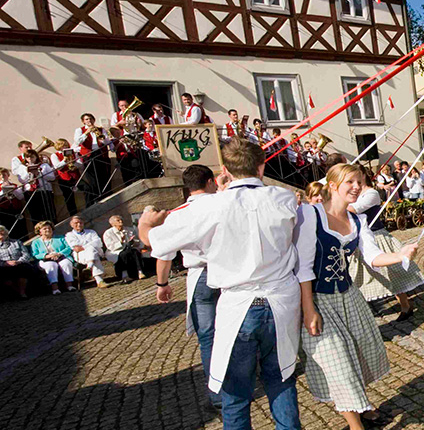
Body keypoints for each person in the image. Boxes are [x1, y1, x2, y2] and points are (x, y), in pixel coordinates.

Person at [139, 141, 302, 430]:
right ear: (262, 166)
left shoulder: (211, 206)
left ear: (224, 170)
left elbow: (156, 241)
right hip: (281, 302)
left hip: (239, 304)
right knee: (280, 379)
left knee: (236, 391)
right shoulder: (284, 198)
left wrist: (144, 224)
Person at [295, 164, 418, 430]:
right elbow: (303, 267)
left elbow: (372, 256)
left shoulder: (357, 220)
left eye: (360, 182)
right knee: (337, 361)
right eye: (350, 181)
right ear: (333, 184)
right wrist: (308, 309)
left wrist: (400, 255)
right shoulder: (310, 215)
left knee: (358, 354)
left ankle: (363, 407)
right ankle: (355, 425)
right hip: (319, 299)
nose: (356, 187)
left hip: (349, 296)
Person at [151, 164, 222, 408]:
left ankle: (218, 394)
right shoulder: (224, 203)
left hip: (200, 274)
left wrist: (162, 283)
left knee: (208, 337)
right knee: (236, 329)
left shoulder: (178, 213)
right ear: (211, 181)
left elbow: (164, 253)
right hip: (227, 271)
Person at [348, 167, 424, 322]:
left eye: (357, 176)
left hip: (377, 236)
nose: (354, 181)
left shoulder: (371, 193)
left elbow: (354, 209)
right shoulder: (356, 194)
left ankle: (405, 305)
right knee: (360, 275)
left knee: (391, 273)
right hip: (362, 238)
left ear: (364, 175)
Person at [30, 221, 77, 294]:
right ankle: (55, 288)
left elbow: (68, 248)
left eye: (49, 228)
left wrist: (59, 254)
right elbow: (35, 254)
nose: (48, 230)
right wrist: (46, 256)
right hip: (45, 260)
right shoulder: (35, 242)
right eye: (45, 229)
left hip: (61, 257)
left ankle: (69, 285)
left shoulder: (60, 237)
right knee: (51, 265)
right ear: (39, 231)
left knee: (66, 263)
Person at [102, 215, 147, 283]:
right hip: (116, 251)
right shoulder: (108, 233)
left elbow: (137, 240)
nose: (121, 221)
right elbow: (110, 246)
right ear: (112, 224)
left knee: (135, 252)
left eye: (121, 219)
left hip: (130, 248)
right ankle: (125, 275)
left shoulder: (129, 229)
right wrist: (120, 241)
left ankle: (140, 272)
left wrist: (133, 241)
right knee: (123, 254)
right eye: (118, 220)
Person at [64, 216, 107, 288]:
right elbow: (75, 246)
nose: (79, 224)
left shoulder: (91, 232)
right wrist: (90, 243)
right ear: (71, 225)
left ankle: (89, 267)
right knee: (92, 251)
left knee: (92, 251)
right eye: (76, 223)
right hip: (80, 255)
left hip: (93, 252)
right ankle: (99, 280)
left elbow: (99, 243)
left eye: (80, 222)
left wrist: (83, 246)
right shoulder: (69, 235)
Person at [17, 149, 57, 225]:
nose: (30, 159)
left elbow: (52, 177)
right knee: (35, 213)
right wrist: (28, 172)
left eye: (32, 157)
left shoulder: (44, 165)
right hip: (30, 191)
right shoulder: (22, 168)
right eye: (28, 158)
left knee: (49, 211)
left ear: (36, 157)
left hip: (44, 190)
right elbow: (21, 180)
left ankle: (52, 226)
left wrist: (39, 174)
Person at [0, 225, 37, 299]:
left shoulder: (17, 242)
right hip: (4, 266)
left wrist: (19, 261)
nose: (1, 235)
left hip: (19, 264)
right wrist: (5, 263)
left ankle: (22, 292)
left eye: (2, 232)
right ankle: (16, 292)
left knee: (24, 270)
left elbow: (26, 254)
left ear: (6, 233)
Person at [50, 139, 83, 217]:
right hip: (64, 179)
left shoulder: (73, 153)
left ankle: (89, 204)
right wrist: (64, 160)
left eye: (66, 145)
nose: (65, 147)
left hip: (75, 176)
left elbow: (80, 163)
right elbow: (57, 167)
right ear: (59, 147)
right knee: (68, 197)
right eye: (63, 146)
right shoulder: (54, 155)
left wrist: (75, 165)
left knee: (87, 188)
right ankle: (73, 214)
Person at [0, 167, 26, 240]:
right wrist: (2, 190)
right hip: (4, 210)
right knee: (8, 227)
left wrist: (13, 190)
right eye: (1, 175)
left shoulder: (14, 185)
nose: (3, 177)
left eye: (4, 174)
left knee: (20, 227)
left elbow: (21, 197)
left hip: (15, 208)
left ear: (8, 175)